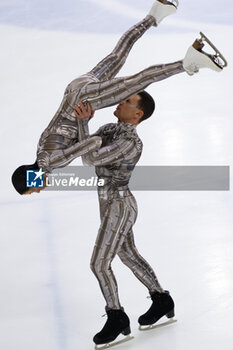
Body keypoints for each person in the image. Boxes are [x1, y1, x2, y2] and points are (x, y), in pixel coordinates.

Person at [11, 0, 226, 195]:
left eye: (33, 189)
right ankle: (154, 14)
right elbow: (64, 130)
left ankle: (188, 62)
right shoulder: (40, 151)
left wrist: (83, 121)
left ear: (31, 179)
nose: (39, 191)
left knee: (138, 81)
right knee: (118, 55)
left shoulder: (53, 162)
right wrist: (80, 123)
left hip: (81, 100)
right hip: (75, 89)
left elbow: (92, 142)